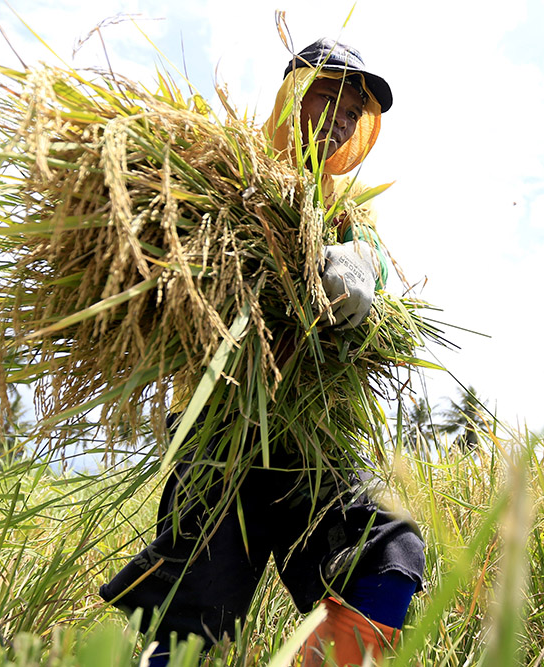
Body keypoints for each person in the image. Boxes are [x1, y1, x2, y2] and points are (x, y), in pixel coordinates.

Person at [98, 39, 425, 666]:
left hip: (313, 440)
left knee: (388, 553)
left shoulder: (352, 218)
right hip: (220, 436)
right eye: (328, 98)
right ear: (291, 96)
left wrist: (363, 275)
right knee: (194, 622)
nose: (341, 120)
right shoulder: (223, 172)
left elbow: (381, 282)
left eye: (354, 113)